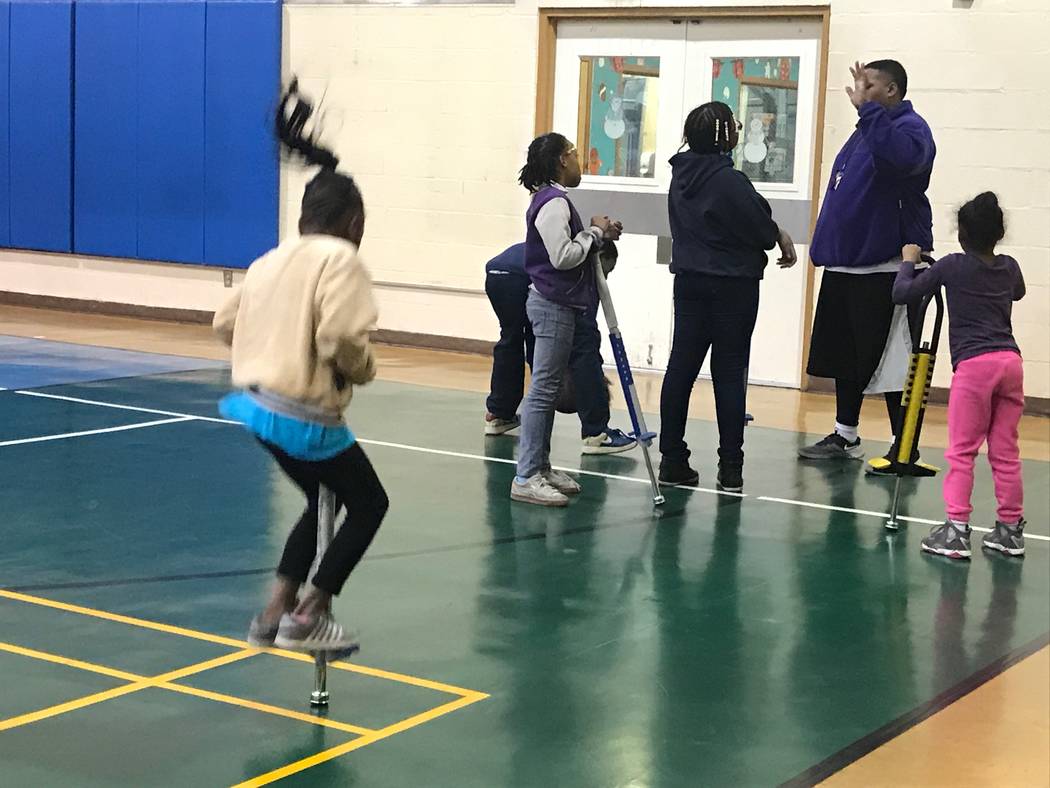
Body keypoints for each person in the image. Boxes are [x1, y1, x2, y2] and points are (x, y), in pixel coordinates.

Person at [213, 81, 387, 652]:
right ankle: (310, 614)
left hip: (256, 408)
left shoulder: (272, 257)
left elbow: (224, 322)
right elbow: (340, 338)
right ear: (354, 222)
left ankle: (272, 612)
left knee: (320, 501)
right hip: (304, 414)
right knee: (369, 504)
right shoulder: (342, 259)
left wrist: (272, 343)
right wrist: (361, 369)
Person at [799, 60, 936, 465]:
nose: (860, 89)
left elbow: (899, 160)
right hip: (847, 265)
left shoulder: (911, 129)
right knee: (845, 357)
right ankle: (846, 435)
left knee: (894, 360)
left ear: (891, 90)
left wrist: (868, 112)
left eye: (869, 84)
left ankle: (903, 445)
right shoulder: (864, 130)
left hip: (888, 269)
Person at [658, 101, 797, 492]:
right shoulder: (729, 181)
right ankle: (731, 467)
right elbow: (759, 228)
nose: (739, 128)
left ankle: (672, 458)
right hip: (732, 286)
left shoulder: (680, 176)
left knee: (680, 368)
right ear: (725, 135)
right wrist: (777, 232)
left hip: (689, 283)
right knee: (730, 371)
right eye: (734, 124)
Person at [892, 193, 1026, 559]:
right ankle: (1010, 530)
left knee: (963, 451)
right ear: (999, 233)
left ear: (962, 233)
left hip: (975, 366)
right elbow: (1018, 292)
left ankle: (956, 530)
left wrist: (908, 262)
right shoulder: (1010, 267)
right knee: (1006, 451)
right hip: (1010, 362)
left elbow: (902, 293)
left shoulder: (952, 266)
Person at [511, 132, 623, 506]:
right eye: (574, 153)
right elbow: (562, 257)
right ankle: (526, 475)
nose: (579, 161)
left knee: (548, 387)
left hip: (562, 305)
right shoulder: (553, 203)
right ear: (562, 159)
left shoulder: (556, 200)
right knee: (544, 389)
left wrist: (600, 236)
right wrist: (593, 231)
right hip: (552, 305)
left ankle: (540, 467)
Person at [483, 242, 635, 455]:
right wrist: (592, 382)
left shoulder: (567, 247)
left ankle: (499, 413)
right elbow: (586, 336)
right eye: (606, 270)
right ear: (598, 258)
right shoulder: (582, 267)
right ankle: (596, 433)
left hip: (497, 272)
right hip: (523, 277)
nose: (605, 278)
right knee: (584, 348)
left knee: (511, 339)